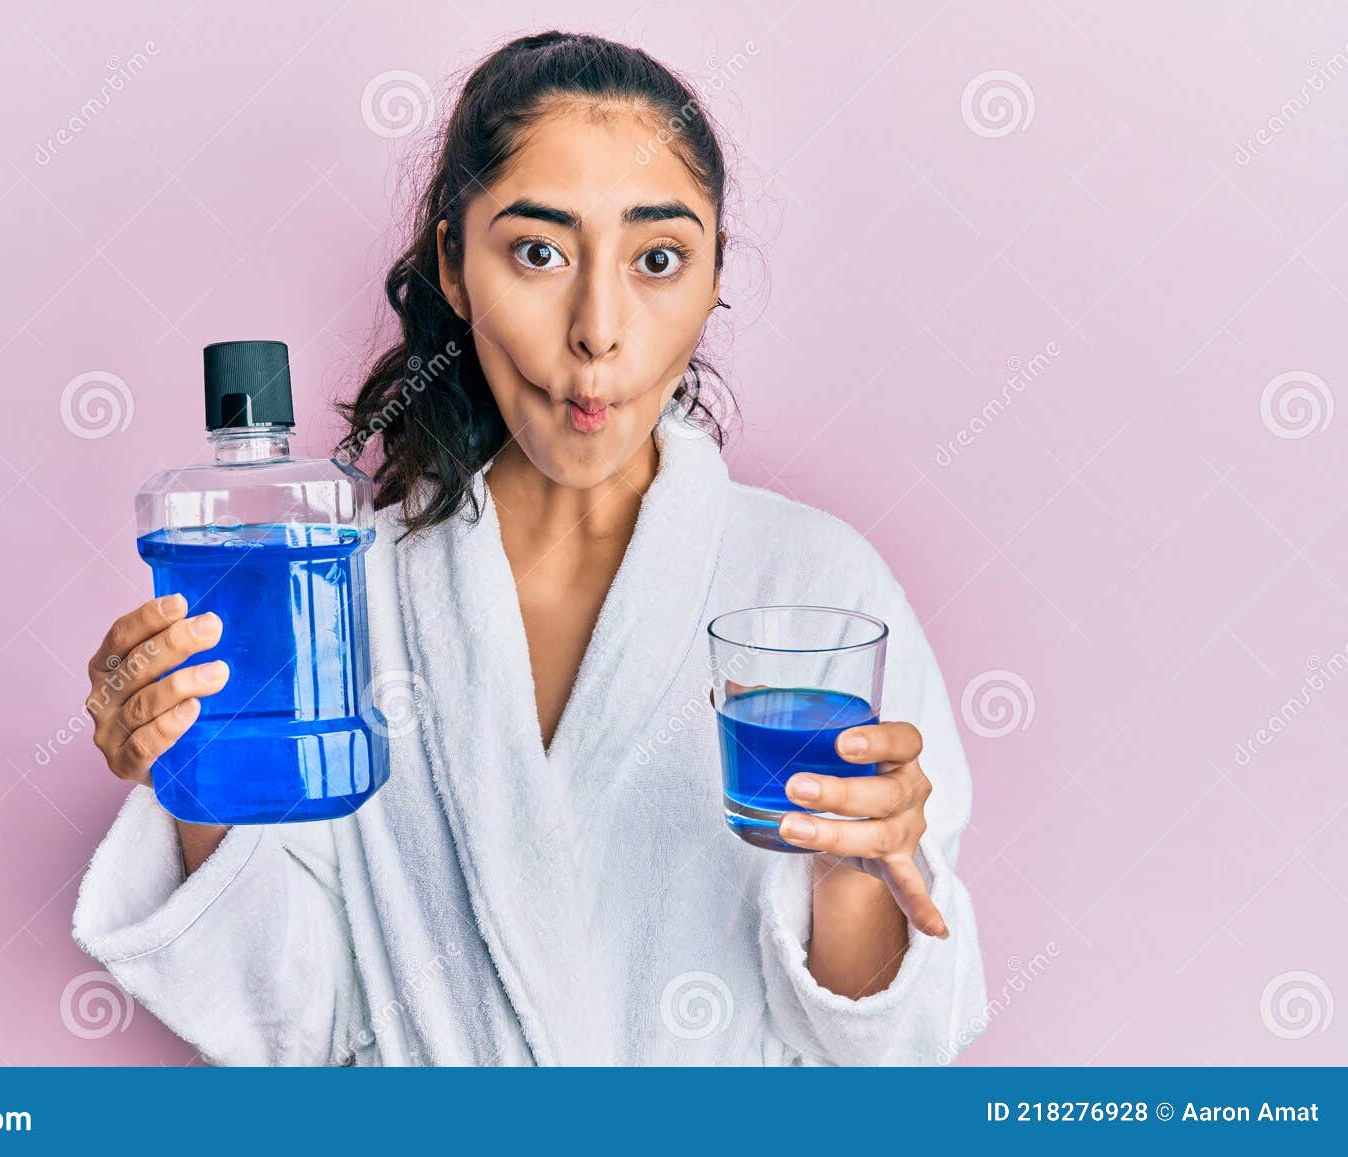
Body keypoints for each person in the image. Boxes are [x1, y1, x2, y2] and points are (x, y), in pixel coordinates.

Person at [73, 30, 988, 1066]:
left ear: (714, 275)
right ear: (453, 267)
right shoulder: (336, 588)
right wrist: (187, 772)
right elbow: (295, 1022)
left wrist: (853, 865)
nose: (598, 329)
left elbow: (886, 1052)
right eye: (538, 251)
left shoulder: (814, 586)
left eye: (657, 258)